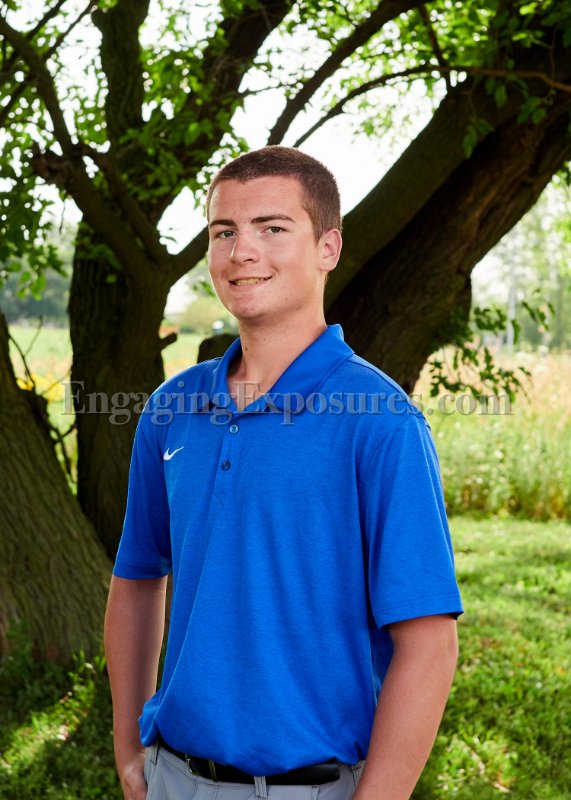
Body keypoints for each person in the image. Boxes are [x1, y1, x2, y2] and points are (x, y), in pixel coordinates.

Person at [105, 145, 463, 800]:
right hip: (172, 778)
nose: (242, 251)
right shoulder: (171, 409)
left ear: (327, 247)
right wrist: (129, 748)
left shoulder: (381, 421)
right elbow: (136, 579)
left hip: (316, 787)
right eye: (224, 232)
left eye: (272, 228)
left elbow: (429, 644)